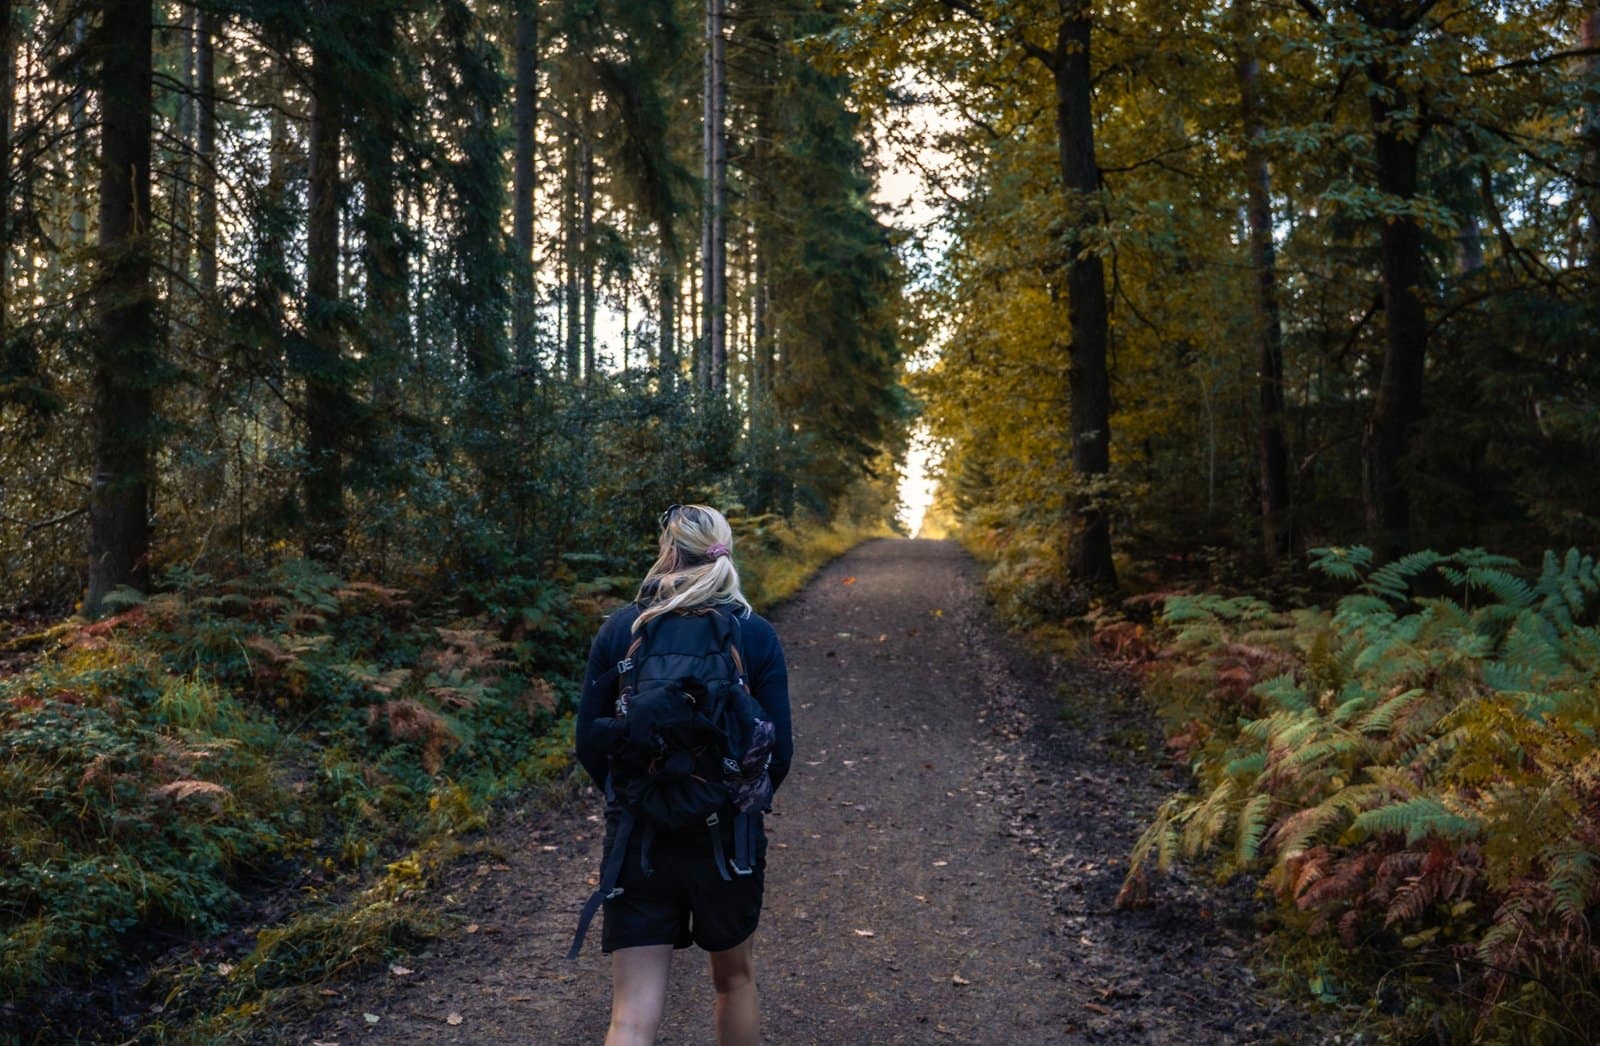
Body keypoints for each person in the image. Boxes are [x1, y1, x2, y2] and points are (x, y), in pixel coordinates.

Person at [575, 504, 792, 1046]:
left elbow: (590, 744)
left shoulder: (623, 629)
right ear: (725, 552)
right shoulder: (754, 634)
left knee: (630, 1015)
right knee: (734, 982)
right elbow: (778, 753)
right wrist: (728, 798)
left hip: (638, 837)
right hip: (727, 841)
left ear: (668, 552)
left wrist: (635, 797)